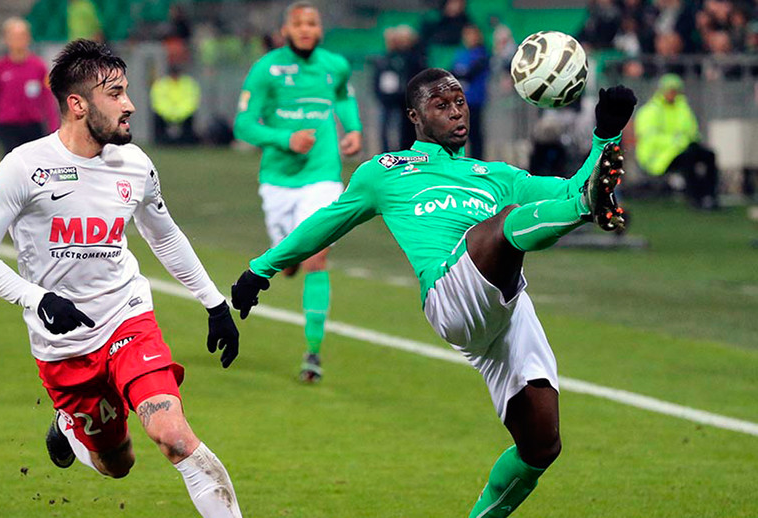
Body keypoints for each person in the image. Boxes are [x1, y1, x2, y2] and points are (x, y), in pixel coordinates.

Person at [231, 68, 636, 518]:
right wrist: (260, 270)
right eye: (441, 106)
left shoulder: (494, 174)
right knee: (503, 228)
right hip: (450, 296)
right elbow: (326, 222)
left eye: (459, 102)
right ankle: (586, 214)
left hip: (507, 309)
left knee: (541, 445)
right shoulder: (386, 173)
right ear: (415, 117)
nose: (456, 113)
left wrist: (605, 135)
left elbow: (572, 187)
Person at [0, 40, 244, 518]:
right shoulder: (22, 167)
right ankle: (68, 427)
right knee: (118, 463)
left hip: (126, 321)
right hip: (64, 345)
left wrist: (214, 303)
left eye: (127, 91)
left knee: (173, 437)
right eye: (115, 93)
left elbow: (166, 237)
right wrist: (37, 298)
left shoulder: (135, 166)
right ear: (78, 104)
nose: (130, 104)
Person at [233, 1, 362, 383]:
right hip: (278, 180)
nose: (306, 29)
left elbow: (342, 96)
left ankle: (312, 353)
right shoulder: (266, 69)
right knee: (288, 257)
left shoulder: (334, 65)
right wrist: (285, 138)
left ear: (320, 30)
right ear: (286, 30)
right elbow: (243, 124)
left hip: (323, 174)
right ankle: (286, 260)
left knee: (316, 257)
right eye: (299, 23)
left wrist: (352, 128)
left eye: (313, 23)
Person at [634, 73, 719, 209]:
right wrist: (678, 142)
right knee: (689, 160)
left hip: (678, 150)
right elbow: (650, 139)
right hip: (658, 157)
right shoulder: (650, 111)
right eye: (670, 90)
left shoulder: (682, 108)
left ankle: (709, 196)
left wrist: (687, 142)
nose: (673, 94)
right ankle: (695, 197)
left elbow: (692, 130)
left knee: (709, 155)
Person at [0, 17, 59, 165]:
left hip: (33, 126)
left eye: (22, 36)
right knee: (14, 165)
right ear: (7, 39)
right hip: (8, 127)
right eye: (14, 36)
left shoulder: (38, 67)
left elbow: (48, 102)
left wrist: (55, 131)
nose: (19, 40)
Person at [451, 24, 490, 160]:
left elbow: (469, 73)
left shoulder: (482, 54)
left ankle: (477, 160)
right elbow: (451, 73)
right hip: (458, 102)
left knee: (475, 133)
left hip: (474, 100)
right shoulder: (461, 54)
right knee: (456, 133)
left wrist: (461, 73)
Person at [150, 63, 201, 145]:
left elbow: (191, 100)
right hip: (165, 114)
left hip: (184, 114)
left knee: (189, 120)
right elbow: (159, 101)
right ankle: (160, 141)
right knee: (157, 119)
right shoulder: (161, 84)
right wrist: (170, 113)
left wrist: (179, 113)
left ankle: (187, 141)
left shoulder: (188, 83)